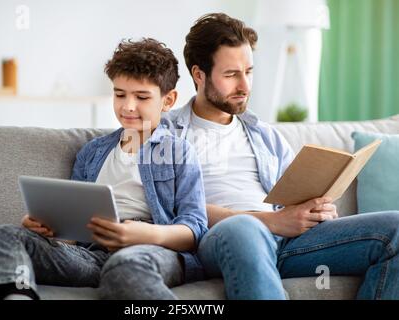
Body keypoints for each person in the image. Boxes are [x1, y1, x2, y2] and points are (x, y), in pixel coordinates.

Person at [164, 13, 399, 299]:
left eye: (248, 72)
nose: (245, 86)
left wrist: (317, 210)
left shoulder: (264, 134)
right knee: (244, 228)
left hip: (286, 242)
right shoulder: (167, 134)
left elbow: (293, 197)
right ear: (199, 75)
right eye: (231, 75)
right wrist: (270, 221)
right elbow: (171, 204)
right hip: (219, 240)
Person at [0, 38, 208, 300]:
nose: (127, 106)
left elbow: (195, 229)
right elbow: (71, 236)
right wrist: (46, 228)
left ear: (168, 100)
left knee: (124, 266)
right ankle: (17, 296)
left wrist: (144, 233)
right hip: (91, 256)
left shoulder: (179, 152)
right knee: (3, 235)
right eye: (120, 94)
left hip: (150, 251)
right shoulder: (92, 152)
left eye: (141, 97)